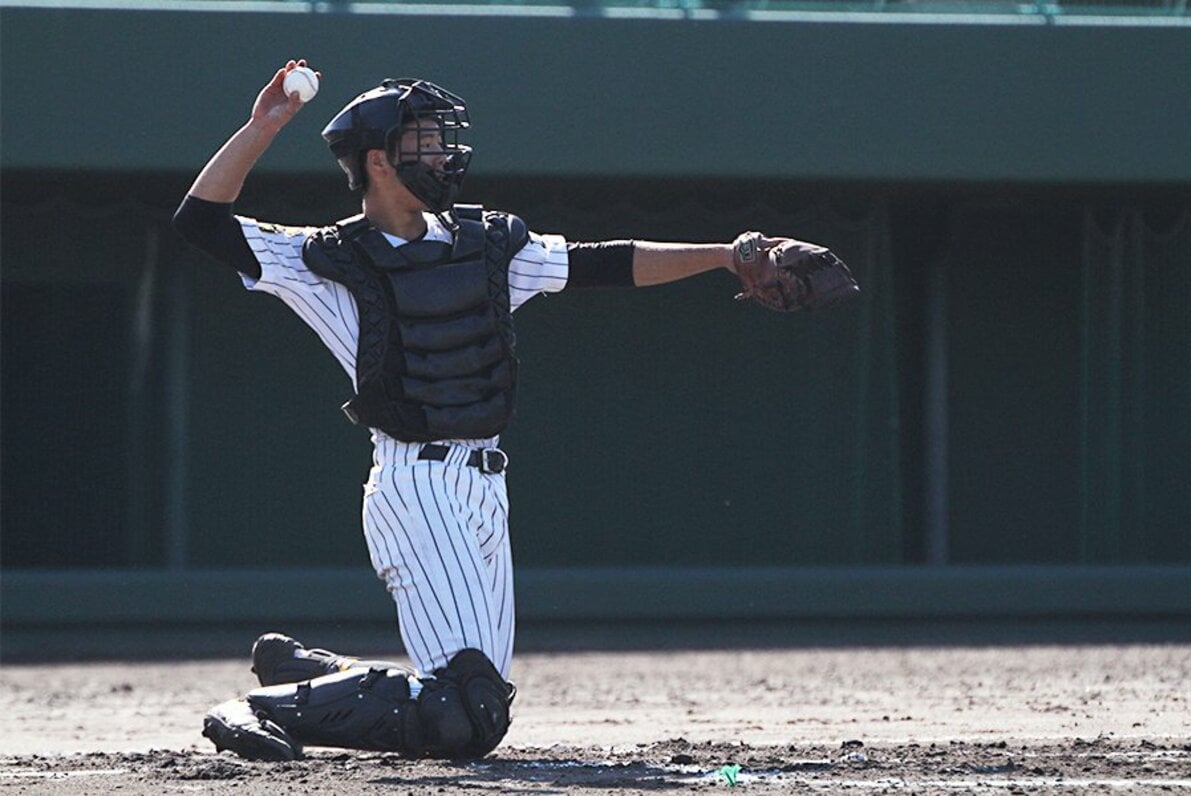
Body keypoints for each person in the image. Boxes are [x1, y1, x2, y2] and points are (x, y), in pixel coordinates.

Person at [174, 60, 853, 762]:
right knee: (464, 713)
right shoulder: (326, 257)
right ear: (378, 161)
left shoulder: (489, 243)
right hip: (417, 486)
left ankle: (310, 676)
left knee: (471, 702)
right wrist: (264, 127)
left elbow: (605, 262)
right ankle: (256, 708)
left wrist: (724, 258)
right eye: (425, 143)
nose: (443, 154)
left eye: (442, 140)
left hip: (483, 485)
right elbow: (201, 222)